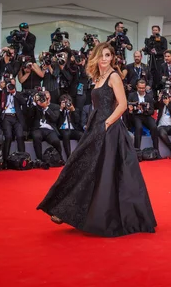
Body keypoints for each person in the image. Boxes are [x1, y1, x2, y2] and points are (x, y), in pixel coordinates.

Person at [38, 42, 156, 237]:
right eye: (101, 55)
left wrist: (107, 124)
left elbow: (123, 105)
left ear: (112, 58)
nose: (104, 59)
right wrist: (96, 125)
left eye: (108, 55)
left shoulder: (114, 76)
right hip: (95, 126)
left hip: (109, 129)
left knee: (102, 172)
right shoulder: (97, 77)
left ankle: (99, 215)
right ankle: (63, 209)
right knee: (79, 165)